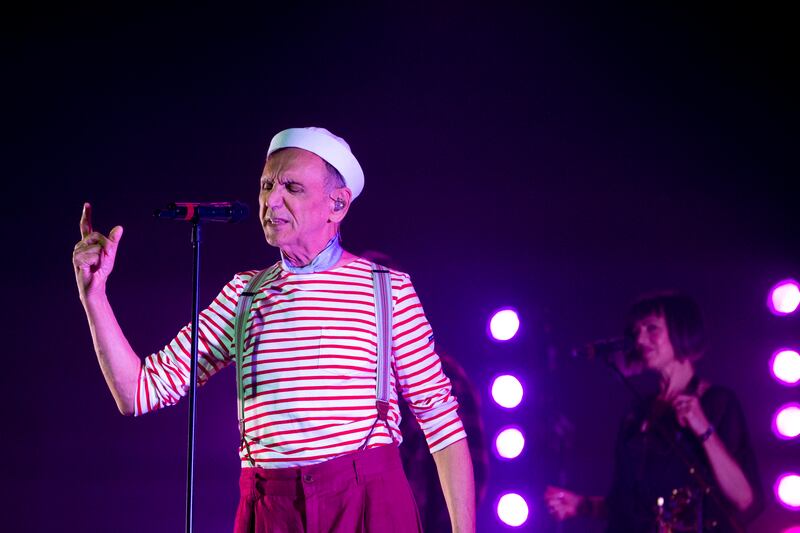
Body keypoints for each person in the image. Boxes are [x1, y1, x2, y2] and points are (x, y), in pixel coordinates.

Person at [73, 127, 476, 532]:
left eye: (292, 187)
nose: (271, 200)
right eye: (266, 185)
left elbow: (441, 421)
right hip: (272, 508)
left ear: (337, 204)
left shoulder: (387, 288)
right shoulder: (243, 295)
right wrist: (96, 298)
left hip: (367, 502)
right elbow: (139, 392)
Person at [544, 292, 763, 532]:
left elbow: (744, 499)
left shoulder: (717, 402)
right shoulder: (637, 413)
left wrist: (704, 429)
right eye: (636, 331)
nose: (640, 339)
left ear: (681, 331)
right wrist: (583, 506)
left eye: (652, 328)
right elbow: (631, 507)